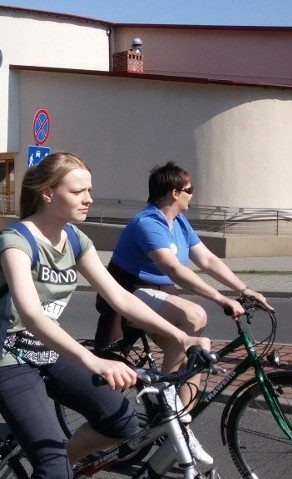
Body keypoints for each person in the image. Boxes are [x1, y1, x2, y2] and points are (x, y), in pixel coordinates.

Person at [0, 152, 209, 478]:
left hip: (47, 350)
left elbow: (120, 298)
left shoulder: (74, 239)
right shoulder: (16, 243)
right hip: (6, 359)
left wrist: (181, 336)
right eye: (78, 192)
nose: (89, 199)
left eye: (89, 190)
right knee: (51, 466)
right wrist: (94, 361)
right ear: (48, 193)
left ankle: (61, 464)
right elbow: (32, 316)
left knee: (123, 423)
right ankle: (54, 466)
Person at [94, 160, 273, 465]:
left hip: (157, 294)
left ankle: (178, 432)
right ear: (174, 192)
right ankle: (167, 402)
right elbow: (174, 269)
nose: (193, 194)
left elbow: (207, 260)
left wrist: (243, 289)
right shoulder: (147, 223)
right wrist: (220, 299)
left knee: (198, 357)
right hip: (128, 292)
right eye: (190, 189)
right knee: (194, 316)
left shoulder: (180, 223)